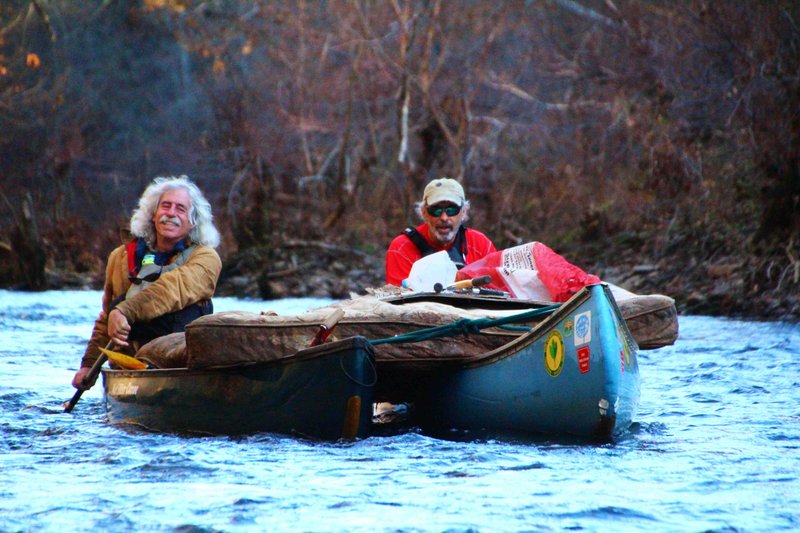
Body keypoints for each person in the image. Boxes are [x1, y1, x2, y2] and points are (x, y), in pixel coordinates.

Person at [71, 175, 222, 390]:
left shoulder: (206, 258)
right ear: (153, 214)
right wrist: (88, 365)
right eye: (165, 206)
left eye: (180, 209)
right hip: (130, 364)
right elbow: (107, 318)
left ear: (192, 222)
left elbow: (173, 289)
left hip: (178, 362)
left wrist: (124, 310)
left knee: (193, 308)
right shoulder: (119, 257)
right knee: (115, 308)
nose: (171, 213)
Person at [385, 177, 496, 286]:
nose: (444, 218)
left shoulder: (481, 245)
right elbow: (398, 300)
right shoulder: (401, 248)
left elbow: (499, 289)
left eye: (451, 210)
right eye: (436, 210)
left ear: (463, 212)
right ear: (424, 213)